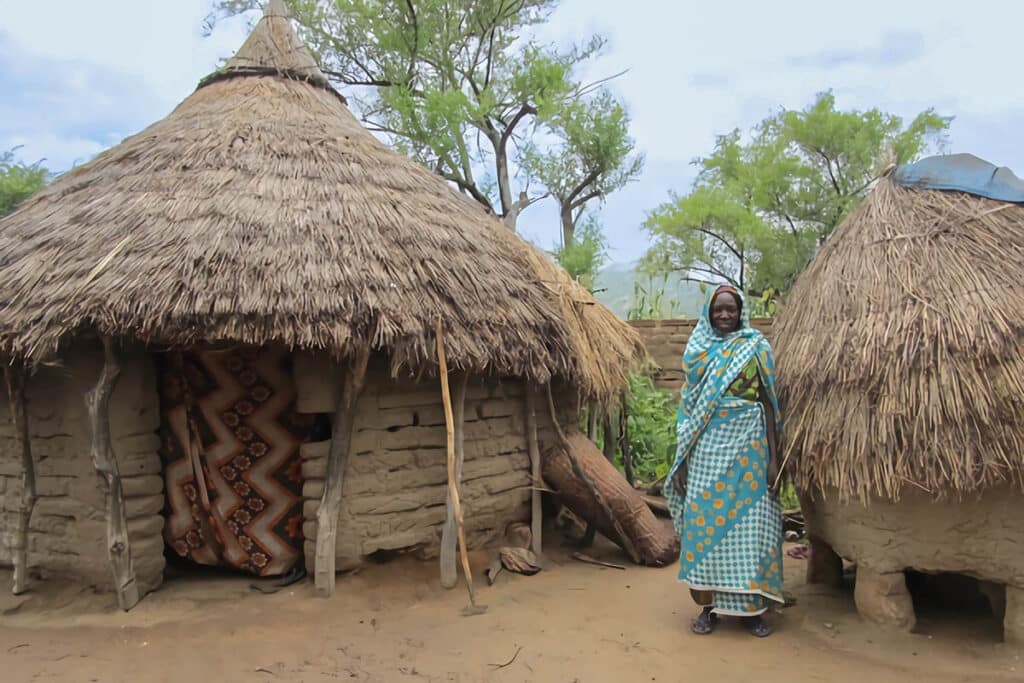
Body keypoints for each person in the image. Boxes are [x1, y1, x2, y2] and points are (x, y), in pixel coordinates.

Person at [665, 285, 784, 637]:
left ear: (741, 311)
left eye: (731, 309)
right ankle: (708, 607)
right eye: (718, 309)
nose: (725, 315)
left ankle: (753, 609)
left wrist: (774, 459)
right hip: (707, 450)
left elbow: (768, 404)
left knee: (753, 528)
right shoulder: (698, 353)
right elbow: (689, 413)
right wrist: (683, 461)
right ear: (709, 312)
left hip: (751, 447)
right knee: (705, 525)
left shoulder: (756, 348)